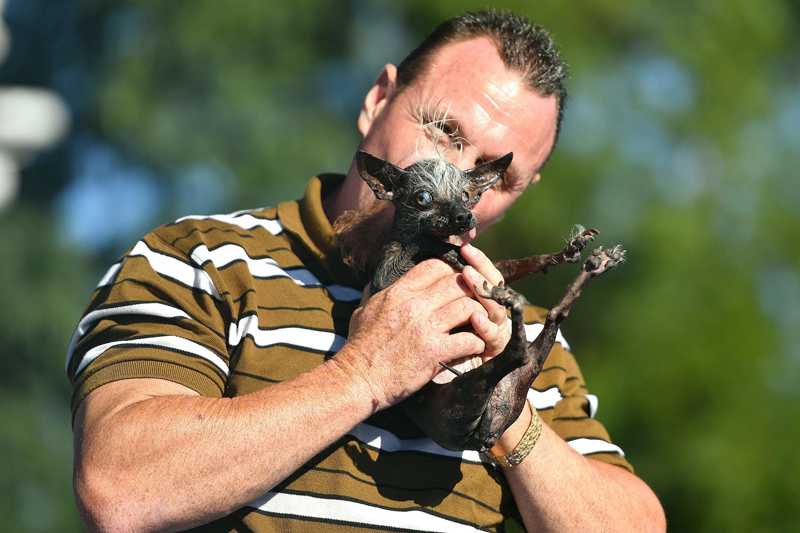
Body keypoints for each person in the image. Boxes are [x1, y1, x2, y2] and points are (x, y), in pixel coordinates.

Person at [68, 10, 666, 532]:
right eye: (445, 132)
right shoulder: (203, 261)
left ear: (520, 191)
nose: (459, 180)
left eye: (496, 174)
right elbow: (121, 489)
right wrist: (365, 375)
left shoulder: (520, 334)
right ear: (377, 99)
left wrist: (505, 402)